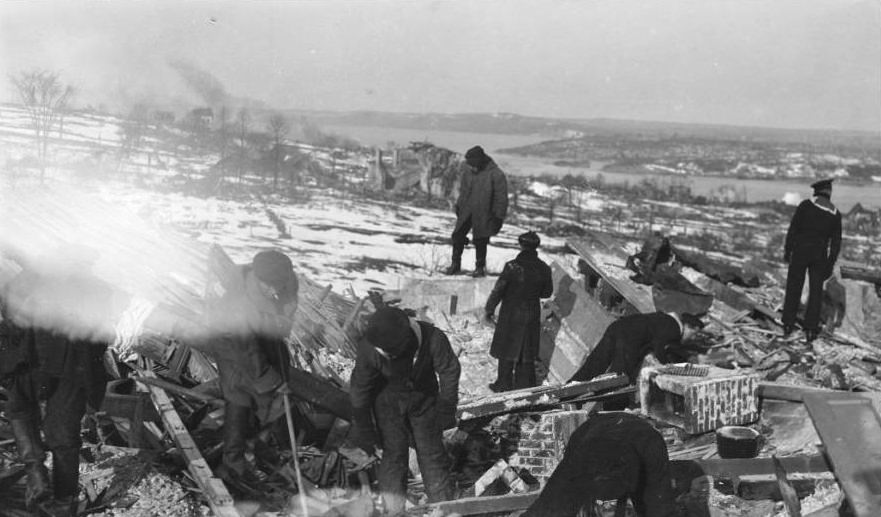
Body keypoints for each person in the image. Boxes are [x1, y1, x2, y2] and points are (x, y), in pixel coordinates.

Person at [1, 265, 114, 516]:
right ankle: (37, 480)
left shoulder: (92, 288)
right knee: (19, 410)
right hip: (25, 362)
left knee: (62, 434)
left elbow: (103, 334)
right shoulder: (19, 282)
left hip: (70, 366)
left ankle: (64, 501)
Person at [349, 307, 460, 515]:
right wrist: (365, 429)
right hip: (387, 404)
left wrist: (446, 408)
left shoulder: (432, 338)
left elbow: (449, 370)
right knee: (393, 458)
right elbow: (359, 391)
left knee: (432, 454)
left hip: (424, 401)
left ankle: (443, 507)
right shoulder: (369, 349)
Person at [205, 249, 299, 493]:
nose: (275, 291)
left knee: (275, 399)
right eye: (270, 287)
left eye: (279, 286)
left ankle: (266, 453)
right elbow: (248, 352)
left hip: (266, 335)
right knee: (239, 397)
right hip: (233, 345)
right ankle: (233, 463)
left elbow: (287, 305)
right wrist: (272, 382)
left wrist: (278, 325)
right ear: (258, 280)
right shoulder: (239, 305)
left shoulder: (285, 281)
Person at [520, 412, 678, 517]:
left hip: (637, 441)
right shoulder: (581, 457)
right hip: (592, 431)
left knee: (652, 505)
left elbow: (661, 507)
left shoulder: (651, 450)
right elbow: (547, 504)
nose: (607, 506)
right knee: (560, 503)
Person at [484, 231, 553, 392]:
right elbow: (546, 293)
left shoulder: (512, 266)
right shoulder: (544, 269)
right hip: (531, 313)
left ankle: (503, 383)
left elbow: (498, 290)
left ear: (521, 245)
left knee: (507, 348)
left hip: (511, 312)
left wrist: (489, 309)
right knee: (526, 350)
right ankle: (525, 386)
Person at [782, 178, 843, 343]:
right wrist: (829, 264)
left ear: (816, 191)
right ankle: (810, 329)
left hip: (801, 250)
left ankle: (788, 323)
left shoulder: (806, 205)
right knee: (816, 293)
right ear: (829, 193)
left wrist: (788, 250)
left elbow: (793, 229)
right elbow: (836, 244)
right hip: (820, 255)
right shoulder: (836, 214)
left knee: (794, 286)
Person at [569, 312, 704, 383]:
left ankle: (573, 384)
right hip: (630, 338)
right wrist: (668, 366)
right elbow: (659, 347)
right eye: (694, 334)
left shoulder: (665, 319)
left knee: (598, 360)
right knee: (618, 377)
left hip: (618, 327)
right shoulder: (675, 328)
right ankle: (612, 404)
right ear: (688, 327)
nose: (692, 338)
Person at [444, 145, 508, 277]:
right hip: (467, 210)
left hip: (485, 212)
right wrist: (459, 206)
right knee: (457, 236)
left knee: (481, 240)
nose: (471, 167)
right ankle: (455, 265)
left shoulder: (496, 174)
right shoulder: (468, 172)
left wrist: (498, 217)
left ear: (480, 161)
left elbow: (501, 198)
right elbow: (464, 191)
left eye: (473, 165)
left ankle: (479, 268)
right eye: (470, 165)